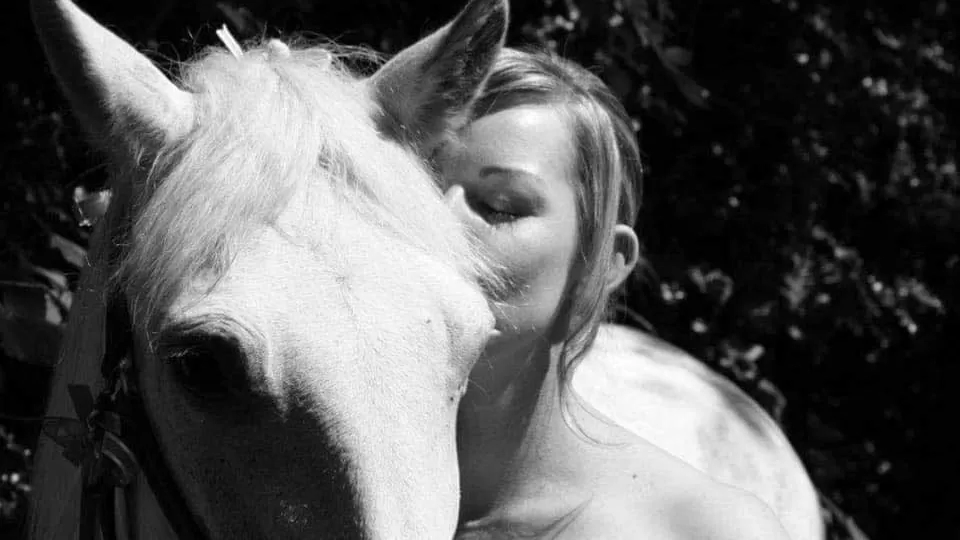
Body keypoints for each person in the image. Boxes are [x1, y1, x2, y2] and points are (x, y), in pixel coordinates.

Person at [436, 48, 791, 539]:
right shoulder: (307, 488)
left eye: (500, 206)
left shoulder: (704, 531)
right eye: (416, 189)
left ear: (600, 262)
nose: (438, 221)